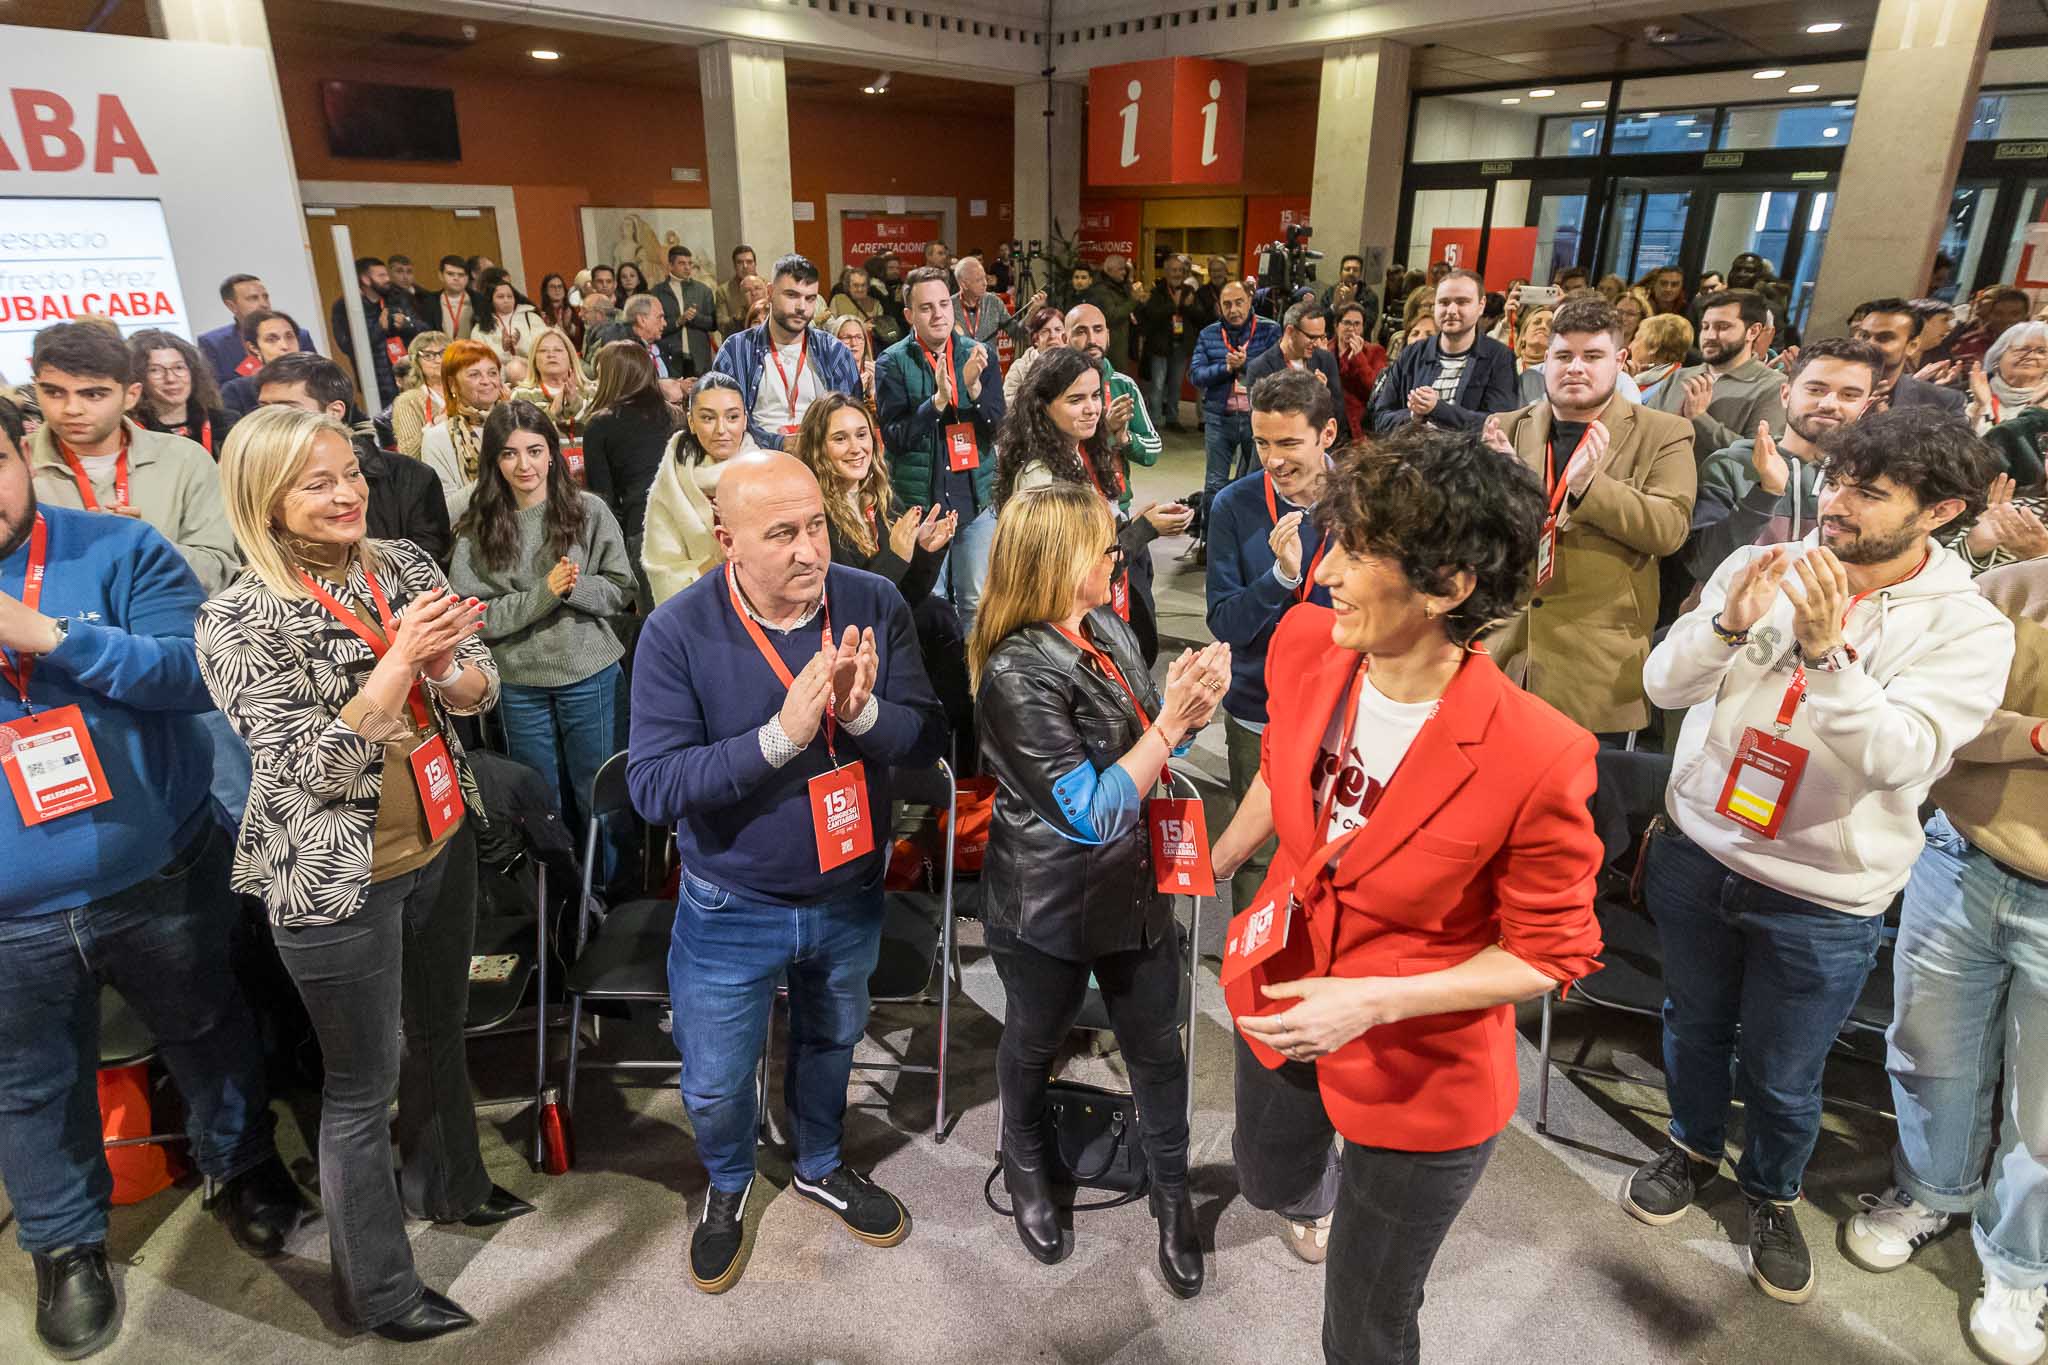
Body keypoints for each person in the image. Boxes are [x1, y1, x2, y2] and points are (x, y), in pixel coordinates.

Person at [1209, 424, 1604, 1364]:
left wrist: (1376, 1000)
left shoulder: (1537, 753)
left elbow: (1553, 950)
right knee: (1265, 1176)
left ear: (1448, 585)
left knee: (1368, 1320)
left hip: (1419, 1066)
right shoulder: (1311, 641)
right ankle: (1313, 1191)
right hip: (1283, 992)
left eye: (1356, 550)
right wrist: (1217, 859)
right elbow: (1280, 766)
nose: (1328, 567)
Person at [1625, 405, 2015, 1305]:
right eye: (1837, 478)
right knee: (1692, 1022)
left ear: (1943, 512)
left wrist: (1827, 653)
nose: (1837, 502)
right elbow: (1662, 684)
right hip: (1702, 848)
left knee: (1784, 1066)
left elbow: (1904, 757)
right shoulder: (1769, 560)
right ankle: (1688, 1146)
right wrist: (1725, 623)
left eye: (1869, 492)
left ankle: (1770, 1192)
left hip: (1823, 894)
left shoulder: (1969, 626)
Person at [197, 405, 531, 1343]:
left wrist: (450, 672)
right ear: (265, 497)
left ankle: (452, 1184)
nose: (348, 493)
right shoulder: (234, 617)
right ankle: (380, 1293)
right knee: (359, 1087)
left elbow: (479, 688)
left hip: (440, 831)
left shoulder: (403, 564)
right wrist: (396, 662)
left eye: (350, 473)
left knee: (442, 1029)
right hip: (336, 879)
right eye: (317, 481)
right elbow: (314, 770)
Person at [0, 395, 308, 1360]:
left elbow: (192, 672)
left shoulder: (115, 548)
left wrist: (51, 636)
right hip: (10, 912)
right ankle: (66, 1246)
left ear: (23, 455)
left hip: (157, 864)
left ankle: (245, 1166)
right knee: (31, 1083)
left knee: (210, 1028)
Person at [626, 449, 947, 1294]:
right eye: (782, 534)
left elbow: (928, 737)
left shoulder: (873, 599)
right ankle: (727, 1184)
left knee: (831, 1039)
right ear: (727, 539)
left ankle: (818, 1161)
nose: (811, 549)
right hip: (732, 903)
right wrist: (781, 736)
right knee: (717, 1076)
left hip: (850, 891)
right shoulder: (677, 630)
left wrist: (861, 713)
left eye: (816, 524)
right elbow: (654, 785)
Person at [969, 481, 1230, 1292]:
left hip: (1134, 888)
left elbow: (1151, 746)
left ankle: (1174, 1194)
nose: (1116, 551)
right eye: (1099, 543)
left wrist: (1184, 704)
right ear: (1053, 561)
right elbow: (1088, 809)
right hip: (1047, 899)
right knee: (1035, 1039)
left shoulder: (1106, 626)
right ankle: (1024, 1163)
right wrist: (1169, 725)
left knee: (1157, 1047)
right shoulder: (1015, 670)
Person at [1839, 554, 2048, 1365]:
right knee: (1929, 1053)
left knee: (2043, 1109)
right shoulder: (2009, 589)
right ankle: (1931, 1191)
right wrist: (2032, 734)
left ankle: (2021, 1264)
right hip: (1963, 853)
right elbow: (1939, 718)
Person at [1482, 296, 1695, 738]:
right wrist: (1497, 490)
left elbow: (1669, 528)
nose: (1575, 367)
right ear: (1546, 360)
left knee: (1580, 805)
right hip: (1501, 652)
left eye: (1592, 356)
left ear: (1619, 360)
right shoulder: (1506, 426)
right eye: (1563, 355)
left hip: (1594, 671)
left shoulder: (1664, 432)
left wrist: (1591, 489)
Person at [450, 401, 633, 834]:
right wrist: (542, 595)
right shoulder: (477, 529)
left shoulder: (589, 510)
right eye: (509, 453)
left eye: (534, 450)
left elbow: (622, 589)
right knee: (538, 799)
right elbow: (473, 617)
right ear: (494, 461)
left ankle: (609, 891)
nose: (524, 464)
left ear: (552, 452)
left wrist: (575, 587)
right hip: (518, 681)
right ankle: (559, 894)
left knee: (600, 793)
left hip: (590, 673)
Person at [1204, 369, 1338, 918]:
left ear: (1326, 434)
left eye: (1288, 443)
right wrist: (1280, 579)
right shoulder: (1235, 506)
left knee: (1334, 843)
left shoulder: (1365, 499)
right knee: (1254, 852)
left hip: (1342, 712)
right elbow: (1225, 622)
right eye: (1262, 443)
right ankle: (1251, 967)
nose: (1274, 460)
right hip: (1259, 710)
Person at [992, 347, 1190, 665]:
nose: (1091, 409)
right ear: (1042, 406)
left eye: (1096, 395)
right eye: (1076, 399)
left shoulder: (1076, 451)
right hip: (1060, 636)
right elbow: (1069, 573)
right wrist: (1144, 530)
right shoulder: (1040, 477)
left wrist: (1128, 524)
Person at [28, 322, 239, 594]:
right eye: (54, 392)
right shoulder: (14, 464)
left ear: (131, 395)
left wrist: (147, 544)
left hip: (169, 627)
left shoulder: (185, 460)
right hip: (47, 628)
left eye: (93, 394)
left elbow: (219, 572)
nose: (72, 409)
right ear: (36, 389)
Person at [1682, 338, 1882, 585]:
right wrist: (1766, 493)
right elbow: (1703, 566)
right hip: (1734, 616)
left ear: (1865, 406)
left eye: (1849, 395)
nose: (1829, 404)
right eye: (1815, 389)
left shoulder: (1869, 480)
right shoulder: (1731, 464)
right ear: (1786, 394)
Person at [877, 265, 1007, 633]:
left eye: (943, 305)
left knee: (975, 603)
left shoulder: (980, 355)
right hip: (920, 507)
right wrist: (936, 403)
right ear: (909, 315)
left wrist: (975, 391)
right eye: (926, 308)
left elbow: (997, 428)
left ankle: (972, 687)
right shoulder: (892, 362)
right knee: (929, 605)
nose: (938, 315)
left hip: (974, 503)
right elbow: (896, 437)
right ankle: (931, 686)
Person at [259, 352, 452, 564]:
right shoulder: (259, 483)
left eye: (286, 409)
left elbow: (429, 563)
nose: (269, 421)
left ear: (334, 411)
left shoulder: (411, 477)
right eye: (263, 409)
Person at [710, 254, 861, 452]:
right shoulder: (737, 350)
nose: (802, 307)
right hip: (755, 460)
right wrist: (779, 444)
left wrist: (812, 444)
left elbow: (852, 418)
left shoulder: (834, 351)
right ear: (770, 292)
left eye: (810, 298)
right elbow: (724, 421)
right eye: (792, 295)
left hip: (823, 459)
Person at [641, 371, 753, 606]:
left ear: (745, 419)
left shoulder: (767, 471)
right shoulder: (670, 481)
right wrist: (718, 558)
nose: (721, 429)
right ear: (691, 421)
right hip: (699, 609)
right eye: (708, 418)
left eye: (732, 417)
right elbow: (664, 572)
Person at [583, 340, 684, 599]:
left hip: (642, 530)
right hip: (686, 522)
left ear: (611, 376)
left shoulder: (599, 424)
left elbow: (602, 498)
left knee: (657, 622)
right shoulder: (676, 415)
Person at [1368, 270, 1518, 435]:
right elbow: (1380, 419)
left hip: (1469, 458)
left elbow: (1498, 425)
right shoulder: (1411, 354)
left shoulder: (1499, 357)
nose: (1452, 310)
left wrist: (1438, 409)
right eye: (1444, 302)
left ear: (1481, 306)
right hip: (1413, 456)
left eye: (1462, 302)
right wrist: (1413, 416)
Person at [1646, 289, 1789, 457]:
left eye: (1723, 327)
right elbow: (1644, 431)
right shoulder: (1680, 377)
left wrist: (1700, 418)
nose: (1710, 336)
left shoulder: (1772, 386)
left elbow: (1758, 457)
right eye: (1705, 327)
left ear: (1753, 331)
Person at [1189, 280, 1282, 520]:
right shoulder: (1208, 334)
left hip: (1258, 419)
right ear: (1219, 307)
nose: (1233, 309)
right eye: (1227, 304)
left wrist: (1247, 366)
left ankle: (1246, 540)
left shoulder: (1269, 330)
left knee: (1255, 483)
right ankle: (1209, 541)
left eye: (1239, 302)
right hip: (1220, 418)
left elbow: (1278, 374)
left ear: (1250, 301)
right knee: (1215, 483)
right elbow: (1196, 375)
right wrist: (1226, 367)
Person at [1065, 302, 1162, 510]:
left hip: (1117, 506)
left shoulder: (1123, 385)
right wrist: (1104, 430)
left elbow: (1153, 449)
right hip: (1070, 506)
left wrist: (1124, 439)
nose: (1092, 340)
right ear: (1065, 339)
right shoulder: (1053, 387)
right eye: (1081, 331)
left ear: (1108, 335)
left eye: (1098, 330)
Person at [1243, 300, 1355, 447]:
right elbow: (1266, 421)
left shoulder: (1325, 360)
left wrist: (1322, 396)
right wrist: (1312, 394)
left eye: (1321, 337)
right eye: (1311, 337)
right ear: (1290, 331)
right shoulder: (1259, 367)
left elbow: (1338, 412)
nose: (1317, 343)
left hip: (1316, 452)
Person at [419, 339, 504, 521]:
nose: (486, 381)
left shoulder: (519, 425)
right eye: (474, 375)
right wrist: (496, 476)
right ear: (452, 384)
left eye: (492, 373)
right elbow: (445, 513)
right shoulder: (437, 437)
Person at [1849, 297, 1969, 414]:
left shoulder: (1944, 402)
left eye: (1884, 338)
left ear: (1912, 346)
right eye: (1864, 336)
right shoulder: (1831, 384)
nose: (1869, 344)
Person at [330, 257, 419, 407]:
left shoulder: (397, 298)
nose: (387, 279)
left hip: (409, 376)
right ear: (365, 279)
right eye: (381, 276)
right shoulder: (346, 307)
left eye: (386, 275)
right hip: (376, 385)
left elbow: (424, 329)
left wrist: (406, 324)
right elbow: (347, 346)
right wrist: (379, 328)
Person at [198, 273, 315, 384]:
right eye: (253, 298)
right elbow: (215, 390)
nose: (264, 304)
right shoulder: (213, 343)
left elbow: (317, 375)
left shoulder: (300, 335)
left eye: (265, 297)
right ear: (231, 306)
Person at [131, 328, 232, 457]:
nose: (170, 378)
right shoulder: (132, 433)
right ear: (138, 378)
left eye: (179, 367)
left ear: (193, 372)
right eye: (155, 370)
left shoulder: (225, 422)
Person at [1139, 253, 1200, 431]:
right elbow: (1152, 315)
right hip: (1160, 346)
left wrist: (1189, 307)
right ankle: (1155, 420)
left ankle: (1172, 419)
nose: (1177, 274)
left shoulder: (1189, 292)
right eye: (1173, 270)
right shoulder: (1157, 291)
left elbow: (1199, 317)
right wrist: (1173, 306)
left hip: (1181, 346)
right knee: (1157, 386)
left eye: (1180, 270)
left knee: (1175, 386)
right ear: (1166, 271)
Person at [220, 309, 306, 418]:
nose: (285, 346)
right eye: (271, 339)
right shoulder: (237, 391)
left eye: (289, 337)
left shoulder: (321, 379)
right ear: (254, 348)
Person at [1968, 320, 2048, 433]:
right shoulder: (1969, 397)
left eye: (2041, 351)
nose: (2031, 356)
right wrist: (1981, 407)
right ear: (1997, 357)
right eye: (2022, 349)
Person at [653, 245, 719, 378]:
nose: (687, 267)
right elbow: (653, 326)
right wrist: (678, 321)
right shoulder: (657, 292)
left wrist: (695, 318)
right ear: (670, 265)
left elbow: (713, 324)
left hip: (698, 357)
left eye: (690, 263)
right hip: (670, 355)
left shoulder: (703, 290)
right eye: (682, 263)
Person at [954, 256, 1041, 356]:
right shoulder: (949, 306)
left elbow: (1016, 333)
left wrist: (1032, 312)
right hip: (961, 367)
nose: (985, 283)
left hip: (990, 366)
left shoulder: (994, 302)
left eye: (985, 278)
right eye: (979, 280)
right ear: (964, 284)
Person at [1329, 300, 1387, 439]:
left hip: (1359, 425)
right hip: (1330, 421)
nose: (1352, 328)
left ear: (1362, 328)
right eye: (1347, 323)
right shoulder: (1324, 351)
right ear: (1337, 326)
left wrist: (1358, 357)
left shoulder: (1375, 352)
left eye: (1357, 324)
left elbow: (1375, 392)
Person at [388, 332, 451, 459]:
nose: (438, 360)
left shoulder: (467, 390)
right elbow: (409, 453)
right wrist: (435, 424)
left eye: (443, 353)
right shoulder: (408, 401)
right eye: (428, 356)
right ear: (416, 362)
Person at [1085, 253, 1146, 374]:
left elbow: (1132, 309)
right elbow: (1112, 316)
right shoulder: (1101, 290)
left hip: (1123, 345)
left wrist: (1139, 300)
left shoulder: (1121, 286)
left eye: (1125, 269)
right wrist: (1133, 300)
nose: (1124, 272)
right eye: (1121, 269)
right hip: (1111, 349)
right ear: (1109, 270)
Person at [1950, 286, 2032, 369]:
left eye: (2015, 314)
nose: (2006, 319)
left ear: (2026, 318)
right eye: (1998, 313)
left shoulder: (2037, 344)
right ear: (1989, 316)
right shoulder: (1970, 344)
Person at [1003, 306, 1068, 408]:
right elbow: (1009, 404)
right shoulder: (1019, 368)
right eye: (1045, 331)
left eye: (1058, 330)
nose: (1052, 336)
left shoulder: (1076, 364)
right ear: (1035, 339)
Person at [829, 265, 903, 351]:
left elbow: (881, 330)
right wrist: (861, 328)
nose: (860, 289)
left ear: (868, 286)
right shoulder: (838, 300)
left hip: (869, 350)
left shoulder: (876, 304)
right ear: (848, 286)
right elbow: (831, 327)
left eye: (863, 285)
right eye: (856, 285)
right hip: (844, 349)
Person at [473, 276, 545, 363]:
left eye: (510, 296)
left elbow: (544, 347)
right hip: (499, 373)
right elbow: (480, 358)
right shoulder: (480, 327)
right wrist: (503, 350)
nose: (506, 300)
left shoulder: (531, 318)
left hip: (531, 370)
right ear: (490, 300)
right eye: (500, 297)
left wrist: (520, 343)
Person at [1628, 313, 1694, 405]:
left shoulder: (1672, 391)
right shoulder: (1636, 378)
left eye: (1636, 339)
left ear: (1653, 347)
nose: (1630, 346)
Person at [826, 313, 879, 417]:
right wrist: (855, 390)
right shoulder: (827, 375)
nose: (854, 343)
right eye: (846, 337)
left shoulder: (877, 369)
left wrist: (872, 391)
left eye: (859, 337)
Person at [426, 255, 480, 341]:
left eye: (461, 275)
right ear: (440, 275)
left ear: (467, 278)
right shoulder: (429, 301)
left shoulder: (479, 300)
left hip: (473, 350)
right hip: (443, 352)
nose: (456, 278)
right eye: (450, 274)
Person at [1510, 306, 1555, 405]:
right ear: (1523, 336)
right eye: (1537, 322)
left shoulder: (1557, 372)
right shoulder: (1505, 366)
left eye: (1550, 325)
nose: (1543, 326)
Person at [716, 244, 758, 334]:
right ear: (734, 266)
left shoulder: (766, 286)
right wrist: (742, 314)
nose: (745, 266)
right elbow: (722, 326)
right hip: (737, 343)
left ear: (755, 264)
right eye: (740, 262)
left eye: (749, 262)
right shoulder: (723, 291)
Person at [537, 272, 582, 351]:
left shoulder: (573, 310)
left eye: (560, 286)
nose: (557, 290)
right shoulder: (540, 314)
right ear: (546, 291)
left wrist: (568, 326)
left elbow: (581, 338)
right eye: (552, 287)